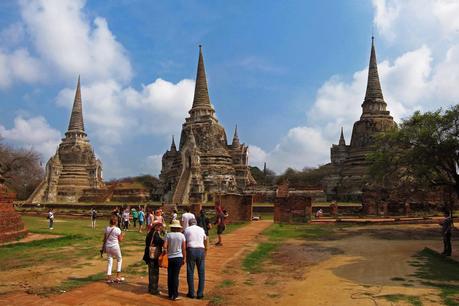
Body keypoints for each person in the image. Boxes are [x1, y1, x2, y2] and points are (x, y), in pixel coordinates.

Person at [163, 220, 186, 301]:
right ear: (178, 228)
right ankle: (175, 294)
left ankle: (170, 294)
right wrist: (184, 258)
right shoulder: (182, 236)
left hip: (170, 257)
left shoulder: (168, 235)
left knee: (170, 275)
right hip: (178, 257)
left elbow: (165, 246)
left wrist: (166, 251)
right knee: (176, 276)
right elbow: (184, 248)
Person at [184, 218, 207, 299]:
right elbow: (205, 240)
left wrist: (185, 252)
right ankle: (200, 293)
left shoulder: (187, 229)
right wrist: (205, 250)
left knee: (190, 271)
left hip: (191, 249)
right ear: (196, 223)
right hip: (201, 249)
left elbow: (185, 241)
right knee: (201, 272)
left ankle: (191, 293)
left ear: (189, 223)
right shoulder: (201, 229)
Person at [143, 221, 165, 295]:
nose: (160, 227)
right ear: (155, 226)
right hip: (153, 256)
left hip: (149, 255)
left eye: (160, 226)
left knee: (151, 272)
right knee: (154, 273)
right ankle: (154, 289)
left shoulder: (150, 233)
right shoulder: (154, 234)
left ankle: (151, 287)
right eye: (158, 226)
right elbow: (160, 242)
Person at [104, 215, 124, 283]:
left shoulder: (107, 228)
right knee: (119, 259)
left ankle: (109, 278)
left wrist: (103, 247)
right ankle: (118, 277)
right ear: (116, 222)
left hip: (108, 246)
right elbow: (120, 240)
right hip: (115, 246)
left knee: (110, 261)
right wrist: (123, 235)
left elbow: (104, 239)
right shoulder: (117, 229)